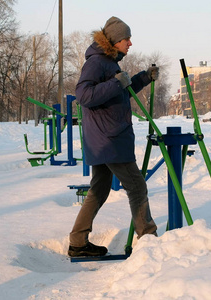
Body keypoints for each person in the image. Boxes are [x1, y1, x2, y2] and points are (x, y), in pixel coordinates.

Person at [68, 16, 159, 257]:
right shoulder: (97, 63)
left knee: (99, 188)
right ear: (115, 40)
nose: (130, 43)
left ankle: (77, 242)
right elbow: (84, 95)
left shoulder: (109, 63)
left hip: (105, 136)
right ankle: (149, 239)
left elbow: (118, 93)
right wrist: (116, 83)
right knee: (137, 185)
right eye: (126, 39)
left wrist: (142, 78)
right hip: (109, 137)